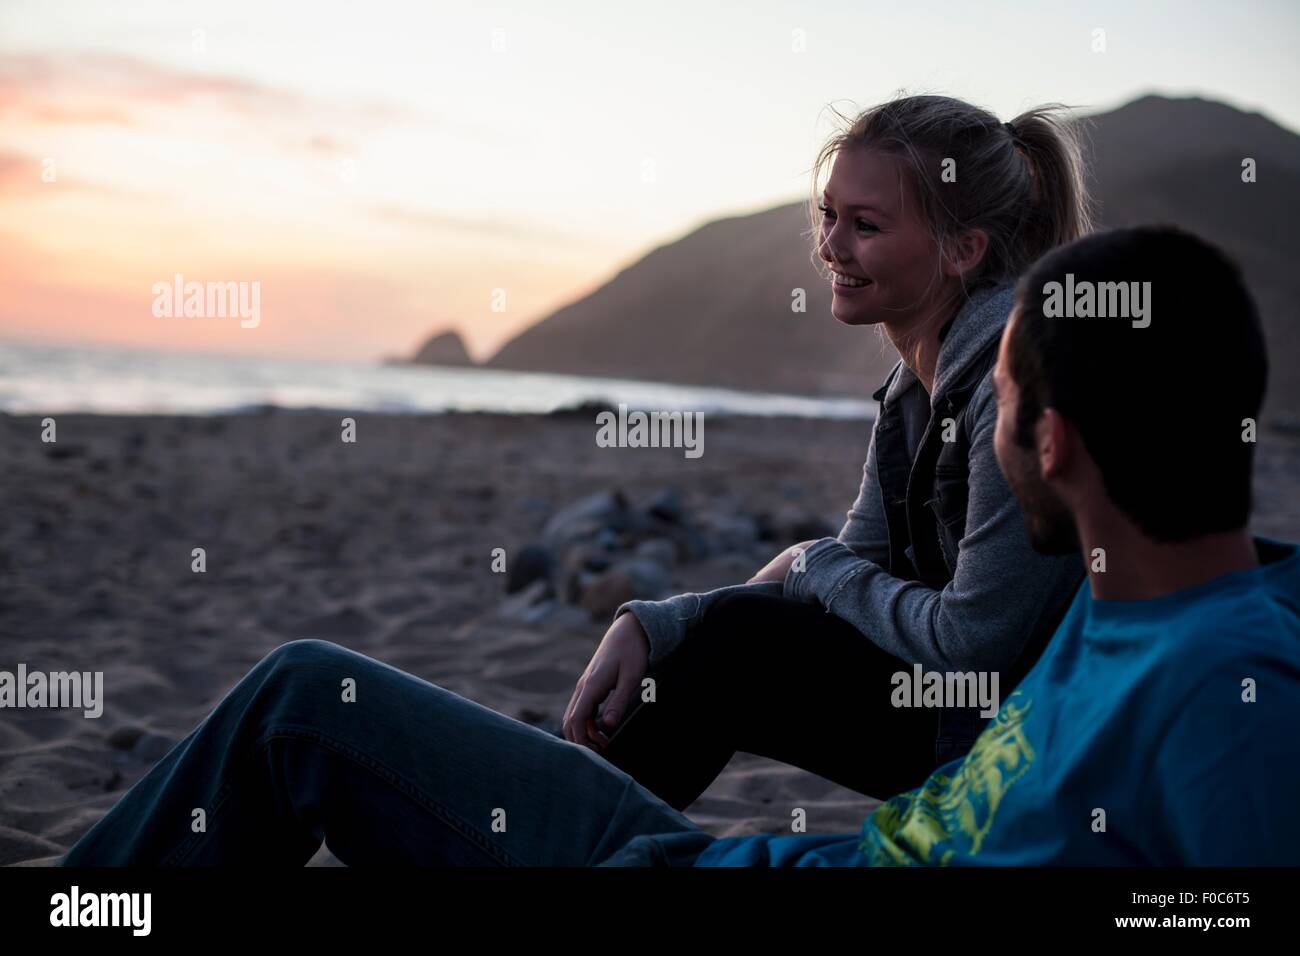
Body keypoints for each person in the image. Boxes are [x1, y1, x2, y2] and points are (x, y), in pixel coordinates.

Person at [62, 225, 1299, 867]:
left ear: (1056, 439)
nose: (990, 439)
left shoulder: (1220, 686)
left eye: (1005, 409)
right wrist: (672, 617)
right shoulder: (1140, 597)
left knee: (301, 700)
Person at [565, 95, 1091, 807]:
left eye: (865, 225)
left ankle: (571, 835)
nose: (831, 247)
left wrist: (811, 567)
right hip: (956, 711)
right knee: (729, 641)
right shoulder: (912, 391)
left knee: (742, 648)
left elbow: (975, 641)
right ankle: (576, 827)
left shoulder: (1012, 385)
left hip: (1022, 745)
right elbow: (848, 567)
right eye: (828, 215)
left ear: (964, 250)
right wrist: (664, 623)